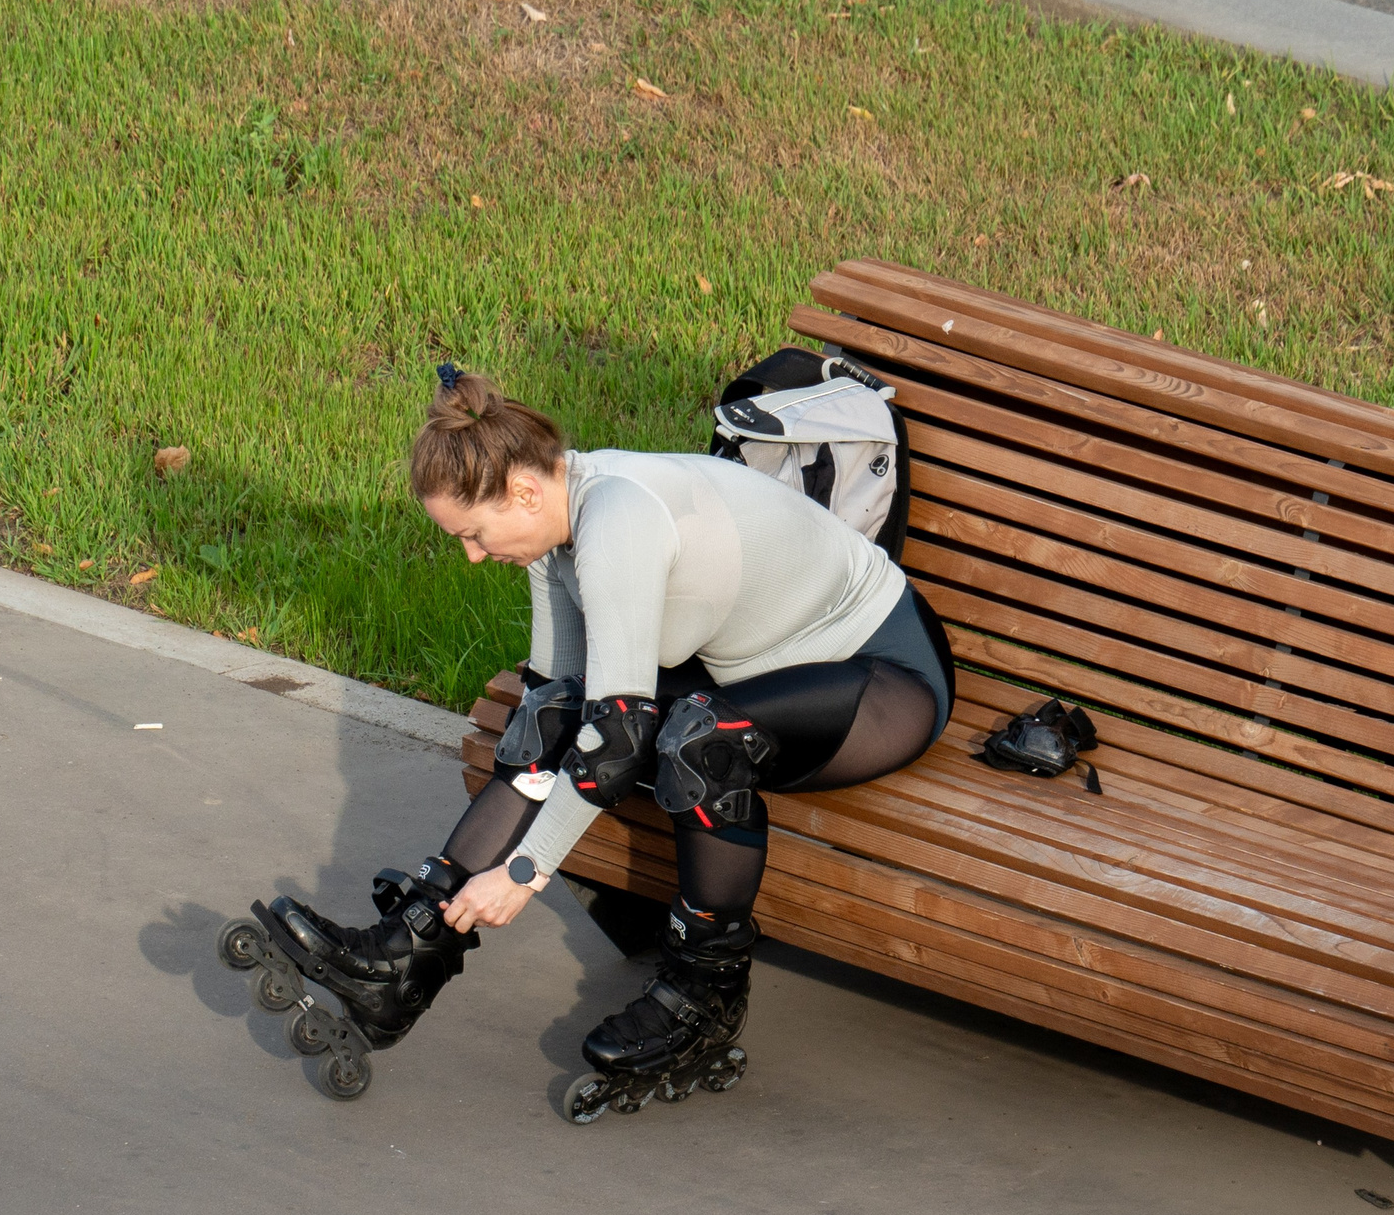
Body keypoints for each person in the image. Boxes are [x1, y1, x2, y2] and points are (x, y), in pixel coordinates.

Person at [238, 365, 953, 1110]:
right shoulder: (555, 524)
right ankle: (407, 954)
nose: (473, 556)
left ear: (521, 491)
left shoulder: (617, 524)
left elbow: (614, 742)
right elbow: (559, 710)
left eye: (474, 535)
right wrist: (457, 893)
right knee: (548, 718)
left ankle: (705, 990)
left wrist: (523, 874)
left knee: (701, 747)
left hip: (881, 680)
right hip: (767, 673)